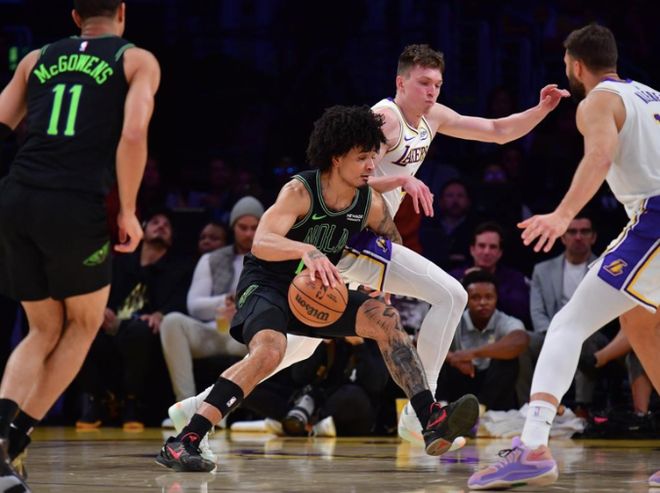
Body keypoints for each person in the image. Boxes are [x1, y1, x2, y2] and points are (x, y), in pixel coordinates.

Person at [167, 44, 568, 452]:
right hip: (350, 236)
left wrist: (540, 110)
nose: (432, 91)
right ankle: (422, 414)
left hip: (370, 233)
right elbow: (343, 176)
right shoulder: (385, 120)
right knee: (450, 295)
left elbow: (497, 131)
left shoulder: (433, 116)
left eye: (438, 84)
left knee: (299, 344)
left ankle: (197, 406)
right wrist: (401, 181)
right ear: (400, 83)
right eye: (424, 83)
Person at [156, 105, 479, 473]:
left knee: (386, 319)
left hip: (317, 290)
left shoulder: (368, 202)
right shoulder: (300, 190)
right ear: (337, 157)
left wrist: (382, 284)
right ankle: (186, 439)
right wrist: (305, 250)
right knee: (270, 352)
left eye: (373, 156)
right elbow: (262, 241)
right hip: (268, 284)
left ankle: (428, 417)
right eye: (362, 158)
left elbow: (392, 241)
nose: (372, 166)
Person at [468, 23, 660, 490]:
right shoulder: (651, 95)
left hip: (653, 218)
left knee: (567, 324)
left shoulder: (597, 101)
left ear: (575, 65)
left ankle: (532, 446)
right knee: (639, 323)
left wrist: (562, 214)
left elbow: (599, 157)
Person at [0, 0, 159, 488]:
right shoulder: (135, 59)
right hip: (74, 203)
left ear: (74, 17)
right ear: (122, 12)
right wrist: (127, 210)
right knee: (84, 324)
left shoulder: (36, 58)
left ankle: (4, 445)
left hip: (17, 196)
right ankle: (14, 440)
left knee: (42, 328)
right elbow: (134, 132)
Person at [76, 210, 192, 430]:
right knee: (79, 330)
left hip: (146, 330)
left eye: (166, 225)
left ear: (172, 238)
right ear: (143, 230)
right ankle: (99, 399)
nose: (161, 226)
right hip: (111, 325)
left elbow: (183, 300)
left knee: (140, 330)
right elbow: (98, 291)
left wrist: (161, 314)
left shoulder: (179, 269)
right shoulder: (120, 263)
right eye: (155, 222)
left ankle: (131, 402)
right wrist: (101, 308)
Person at [159, 197, 263, 404]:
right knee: (171, 321)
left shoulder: (271, 261)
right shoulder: (211, 259)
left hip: (248, 337)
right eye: (243, 227)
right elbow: (194, 306)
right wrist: (224, 302)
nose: (248, 234)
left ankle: (222, 411)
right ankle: (186, 405)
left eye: (254, 228)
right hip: (214, 331)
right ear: (233, 227)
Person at [439, 271, 529, 412]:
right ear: (466, 299)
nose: (483, 302)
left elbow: (520, 340)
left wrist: (473, 354)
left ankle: (480, 411)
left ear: (496, 298)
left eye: (488, 297)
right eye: (475, 297)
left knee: (509, 361)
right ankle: (440, 409)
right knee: (439, 359)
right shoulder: (453, 319)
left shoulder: (505, 320)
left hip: (492, 388)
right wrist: (452, 358)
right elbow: (422, 339)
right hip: (461, 381)